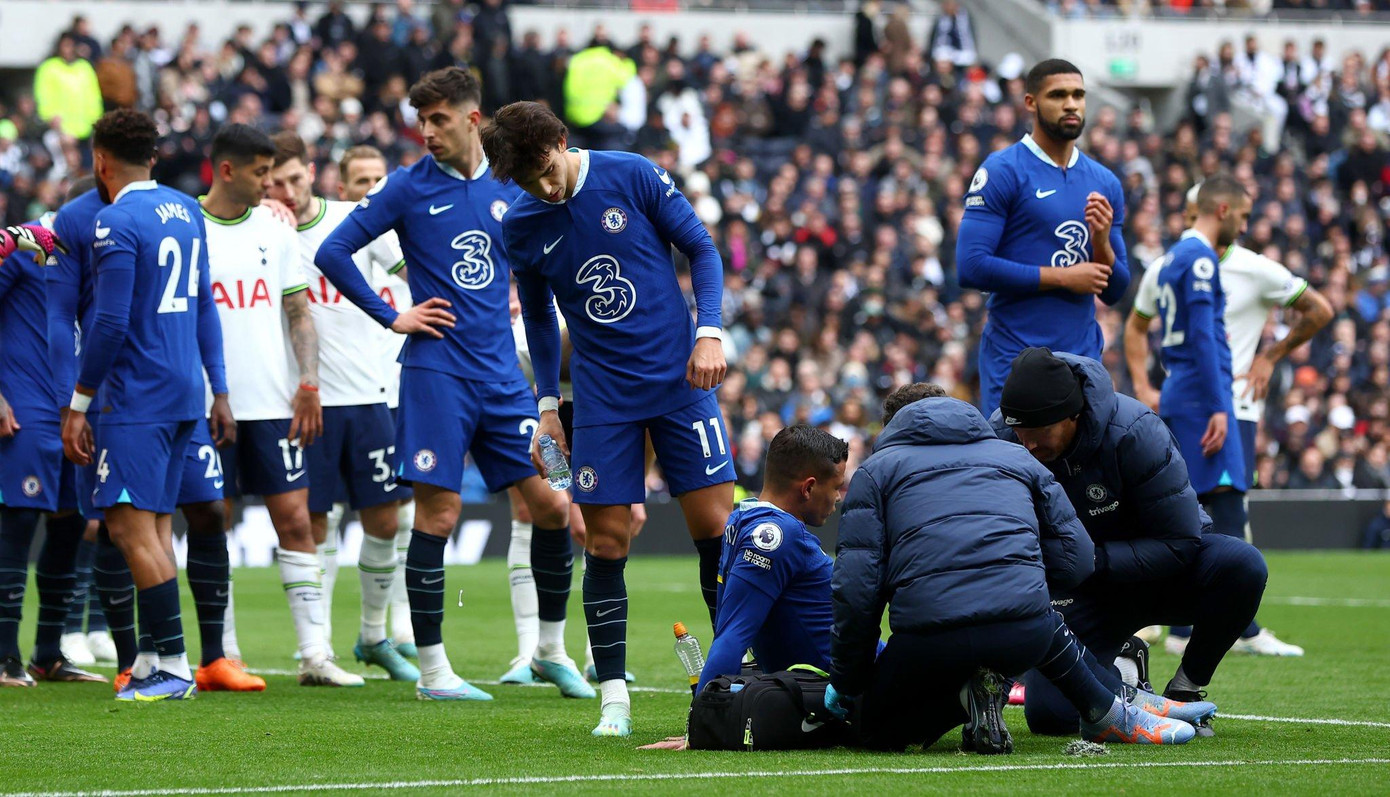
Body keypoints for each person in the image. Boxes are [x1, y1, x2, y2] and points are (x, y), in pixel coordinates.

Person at [315, 68, 582, 702]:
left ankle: (549, 651)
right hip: (436, 374)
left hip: (504, 377)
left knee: (555, 500)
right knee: (440, 513)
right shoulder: (405, 187)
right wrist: (392, 316)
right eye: (421, 120)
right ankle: (434, 672)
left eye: (439, 119)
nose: (428, 131)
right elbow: (332, 252)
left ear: (472, 118)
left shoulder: (509, 183)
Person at [484, 99, 733, 737]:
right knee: (605, 544)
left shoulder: (632, 173)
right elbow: (539, 318)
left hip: (681, 382)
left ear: (561, 141)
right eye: (527, 182)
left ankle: (732, 680)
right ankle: (614, 700)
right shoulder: (522, 225)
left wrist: (708, 331)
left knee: (716, 532)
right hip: (602, 400)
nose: (544, 188)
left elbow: (701, 249)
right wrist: (547, 408)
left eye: (547, 170)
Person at [830, 383, 1204, 752]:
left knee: (869, 729)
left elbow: (857, 590)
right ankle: (1111, 706)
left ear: (896, 427)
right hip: (1026, 635)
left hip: (930, 639)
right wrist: (1023, 580)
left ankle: (964, 699)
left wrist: (848, 680)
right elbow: (1077, 556)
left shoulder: (876, 472)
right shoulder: (1015, 456)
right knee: (1030, 612)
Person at [49, 178, 258, 694]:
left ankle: (182, 661)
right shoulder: (81, 220)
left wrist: (219, 388)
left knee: (163, 519)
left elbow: (172, 309)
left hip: (148, 398)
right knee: (133, 525)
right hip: (140, 396)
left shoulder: (150, 215)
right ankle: (142, 657)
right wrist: (71, 399)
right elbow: (66, 317)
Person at [992, 348, 1268, 736]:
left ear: (1072, 415)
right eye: (1020, 434)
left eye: (1039, 434)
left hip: (1155, 573)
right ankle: (1128, 678)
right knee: (1053, 717)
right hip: (1081, 591)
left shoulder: (1135, 432)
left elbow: (1180, 541)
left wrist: (1092, 560)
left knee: (1243, 566)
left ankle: (1185, 689)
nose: (1028, 446)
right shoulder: (1002, 441)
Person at [1127, 181, 1332, 658]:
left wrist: (1270, 356)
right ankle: (1235, 626)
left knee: (1192, 508)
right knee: (1223, 511)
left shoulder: (1197, 262)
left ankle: (1184, 623)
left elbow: (1319, 309)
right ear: (1220, 210)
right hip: (1214, 401)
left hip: (1201, 398)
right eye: (1241, 215)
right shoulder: (1196, 261)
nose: (1245, 225)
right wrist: (1150, 387)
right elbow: (1199, 336)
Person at [58, 109, 213, 701]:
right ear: (152, 156)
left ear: (100, 161)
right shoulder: (187, 210)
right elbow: (201, 303)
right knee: (155, 527)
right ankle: (153, 659)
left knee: (127, 528)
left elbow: (110, 321)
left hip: (136, 395)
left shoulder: (114, 220)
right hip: (183, 388)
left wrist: (79, 403)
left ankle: (172, 667)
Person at [200, 123, 360, 688]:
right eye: (261, 173)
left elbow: (298, 313)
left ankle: (315, 655)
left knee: (295, 520)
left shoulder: (276, 230)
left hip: (272, 402)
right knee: (211, 522)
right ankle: (224, 652)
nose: (270, 185)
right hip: (208, 404)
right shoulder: (189, 227)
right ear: (226, 170)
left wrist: (308, 381)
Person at [266, 132, 418, 682]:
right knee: (314, 522)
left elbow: (408, 272)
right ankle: (319, 648)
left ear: (312, 173)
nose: (287, 191)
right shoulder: (266, 231)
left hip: (370, 393)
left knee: (385, 519)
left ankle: (374, 635)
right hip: (307, 401)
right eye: (275, 184)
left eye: (294, 179)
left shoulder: (351, 220)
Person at [956, 59, 1129, 416]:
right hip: (1015, 357)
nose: (1071, 104)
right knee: (1013, 453)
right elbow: (971, 266)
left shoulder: (1105, 181)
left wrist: (1101, 244)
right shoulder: (1002, 170)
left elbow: (1115, 291)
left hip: (1082, 361)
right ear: (1031, 102)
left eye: (1078, 95)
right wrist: (1063, 277)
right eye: (1058, 95)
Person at [0, 220, 98, 687]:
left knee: (70, 526)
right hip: (25, 409)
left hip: (74, 411)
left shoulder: (98, 260)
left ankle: (48, 653)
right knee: (18, 524)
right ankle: (4, 656)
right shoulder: (23, 250)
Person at [336, 145, 418, 658]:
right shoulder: (334, 240)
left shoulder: (406, 241)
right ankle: (320, 638)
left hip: (400, 391)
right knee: (324, 515)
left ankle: (400, 624)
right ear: (341, 188)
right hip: (346, 390)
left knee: (405, 513)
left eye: (377, 180)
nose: (370, 189)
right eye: (360, 181)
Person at [697, 425, 843, 694]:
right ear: (808, 488)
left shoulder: (741, 519)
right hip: (844, 687)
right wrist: (704, 713)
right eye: (836, 487)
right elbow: (732, 636)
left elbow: (729, 628)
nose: (837, 497)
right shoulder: (779, 535)